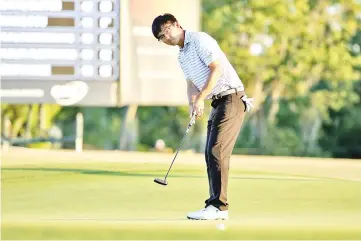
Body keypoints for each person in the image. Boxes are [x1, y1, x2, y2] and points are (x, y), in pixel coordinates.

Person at [151, 13, 253, 220]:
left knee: (217, 150)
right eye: (161, 38)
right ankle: (215, 205)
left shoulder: (200, 40)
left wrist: (201, 98)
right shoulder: (181, 55)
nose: (166, 38)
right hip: (218, 102)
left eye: (167, 31)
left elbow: (216, 69)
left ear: (177, 25)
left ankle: (219, 207)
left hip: (231, 98)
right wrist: (192, 102)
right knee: (210, 152)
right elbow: (190, 83)